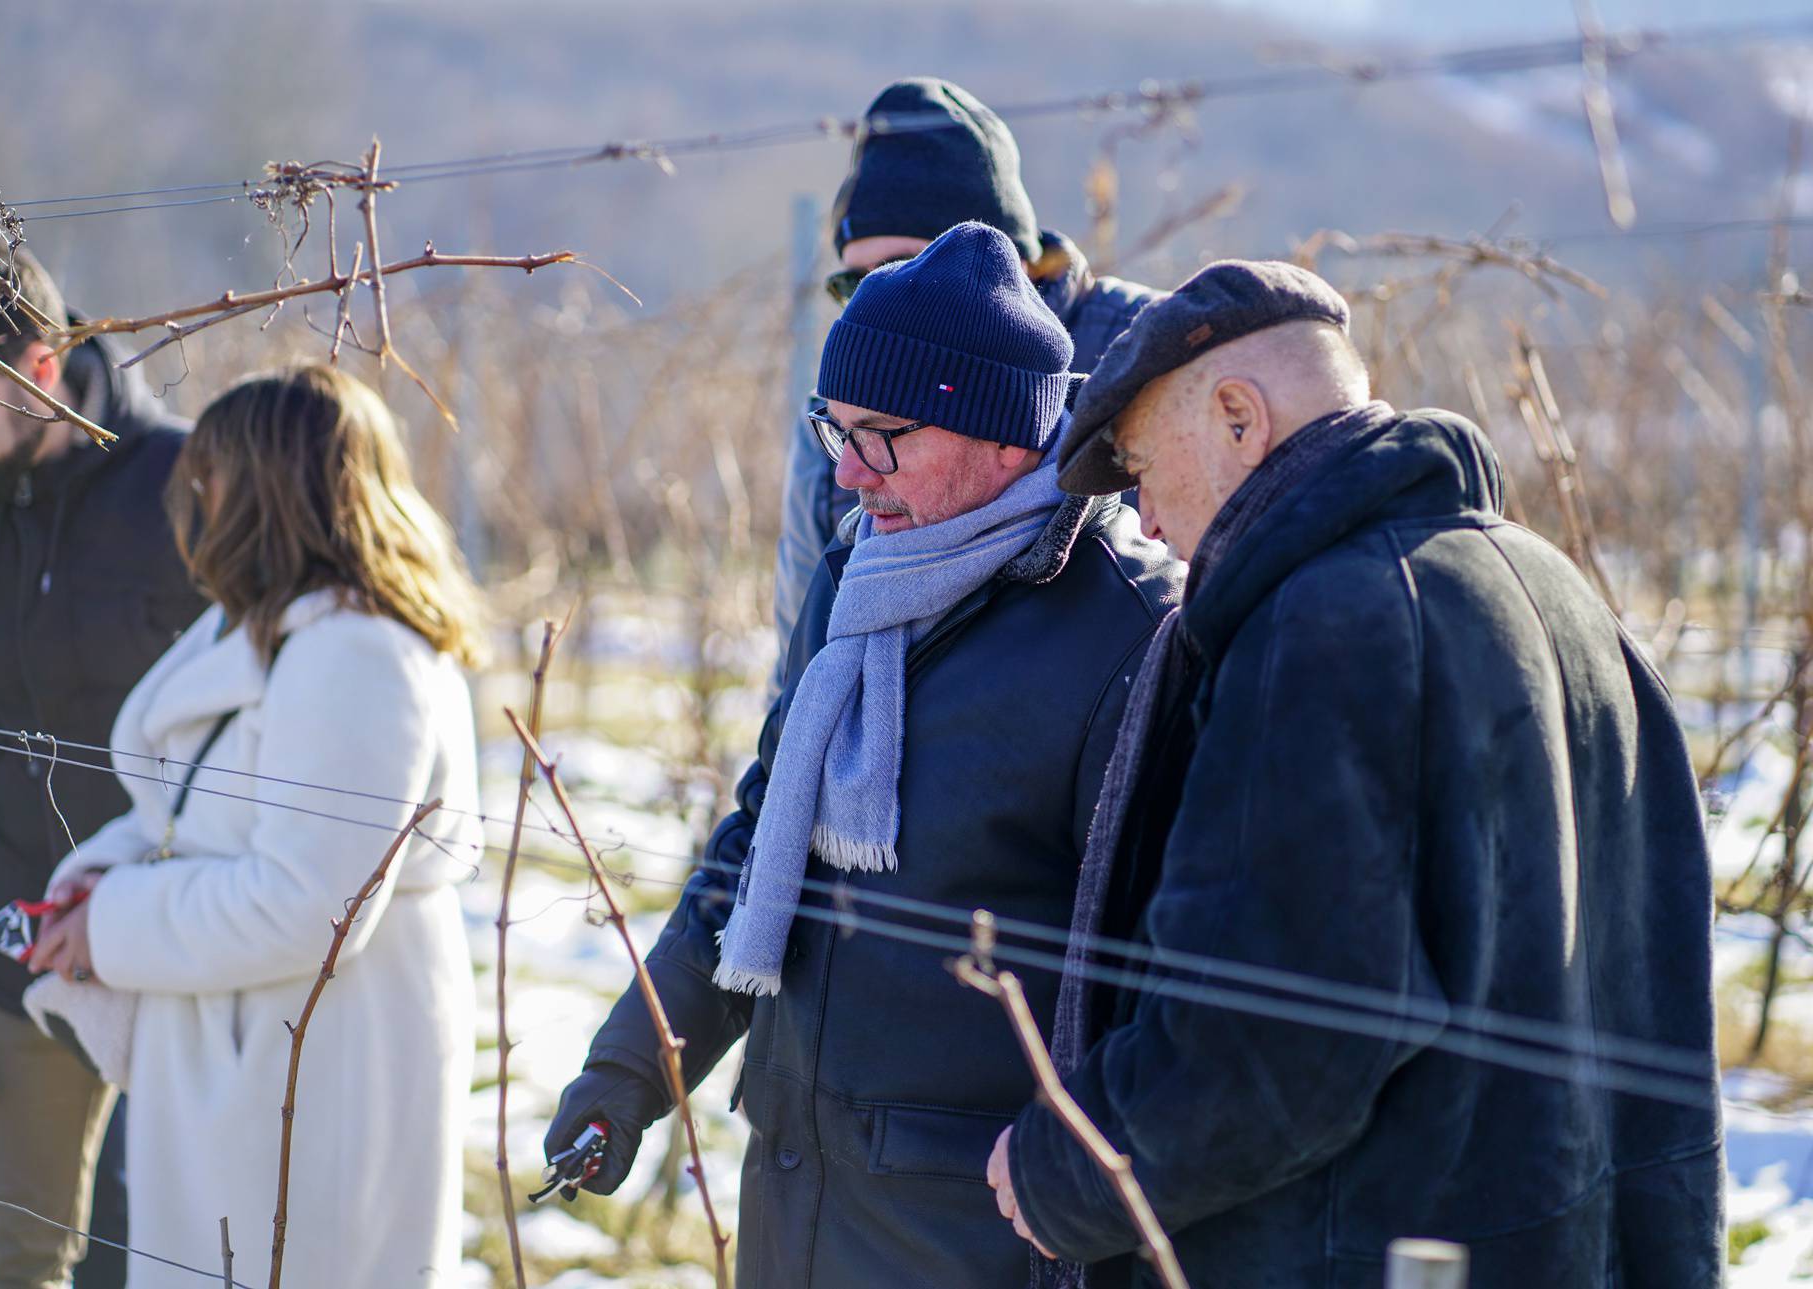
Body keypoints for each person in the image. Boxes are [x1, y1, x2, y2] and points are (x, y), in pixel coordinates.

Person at [985, 261, 1725, 1286]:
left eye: (1144, 470)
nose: (1145, 522)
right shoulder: (1561, 593)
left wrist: (1064, 1170)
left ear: (1240, 416)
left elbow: (1274, 1037)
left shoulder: (1323, 626)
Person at [546, 222, 1180, 1288]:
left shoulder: (1125, 632)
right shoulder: (860, 578)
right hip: (799, 1196)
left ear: (1002, 436)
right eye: (832, 428)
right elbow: (761, 840)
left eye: (882, 434)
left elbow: (1158, 988)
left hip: (978, 1235)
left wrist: (1072, 1201)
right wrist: (631, 1068)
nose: (845, 469)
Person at [25, 364, 485, 1289]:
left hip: (316, 1074)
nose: (195, 500)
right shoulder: (281, 631)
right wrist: (100, 880)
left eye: (213, 476)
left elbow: (309, 902)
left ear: (273, 488)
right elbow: (205, 806)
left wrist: (114, 924)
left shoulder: (355, 655)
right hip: (255, 1065)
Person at [0, 244, 201, 1288]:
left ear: (36, 367)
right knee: (21, 1258)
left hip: (178, 950)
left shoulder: (185, 485)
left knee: (149, 1252)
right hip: (23, 951)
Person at [772, 76, 1164, 685]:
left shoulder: (1153, 355)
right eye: (852, 283)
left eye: (905, 267)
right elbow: (799, 665)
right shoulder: (840, 421)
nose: (873, 302)